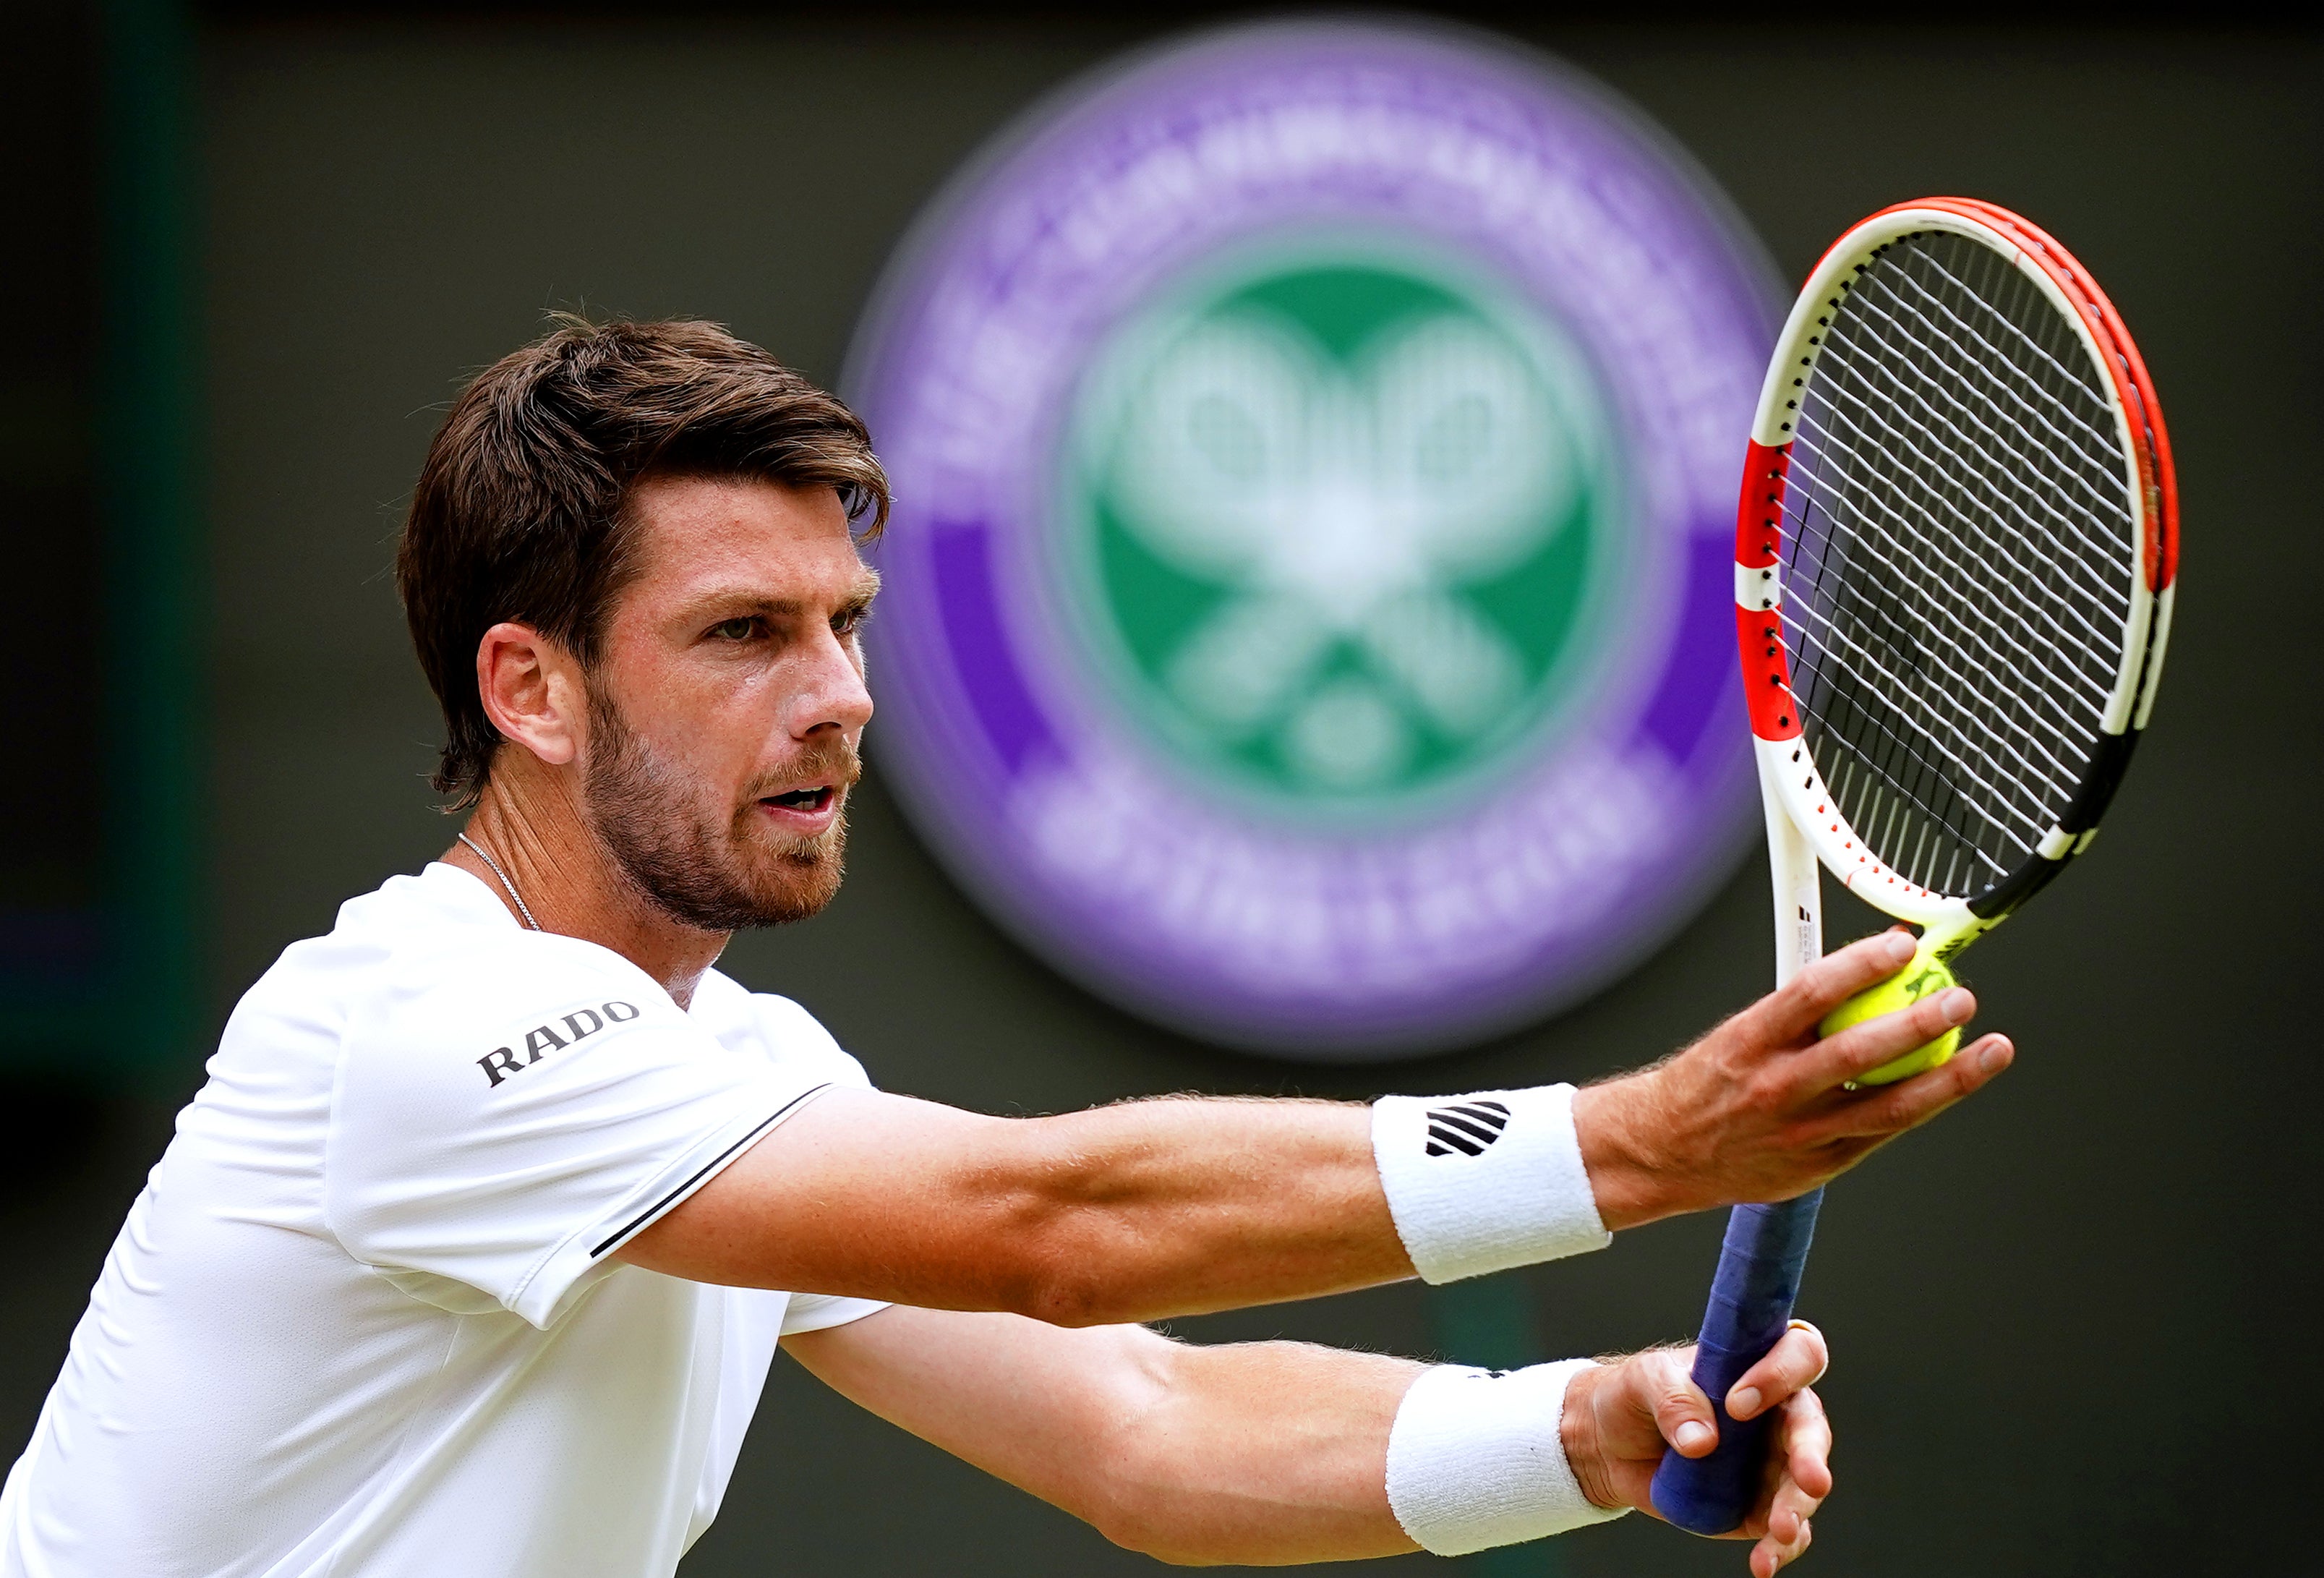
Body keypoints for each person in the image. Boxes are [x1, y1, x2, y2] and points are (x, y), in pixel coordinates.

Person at [0, 320, 2012, 1578]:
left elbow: (1143, 1432)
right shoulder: (429, 1036)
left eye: (844, 622)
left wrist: (1589, 1425)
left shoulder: (725, 1082)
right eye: (741, 634)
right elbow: (1056, 1221)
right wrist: (1644, 1146)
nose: (839, 696)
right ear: (528, 689)